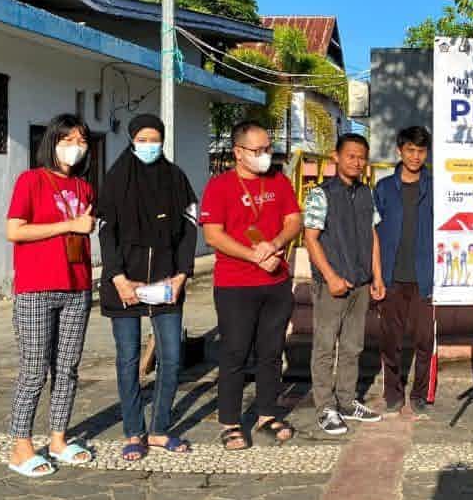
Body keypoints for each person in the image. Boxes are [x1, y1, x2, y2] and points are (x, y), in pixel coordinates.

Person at [97, 114, 197, 462]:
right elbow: (106, 231)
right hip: (124, 283)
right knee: (128, 359)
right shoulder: (116, 178)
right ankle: (133, 431)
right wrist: (118, 278)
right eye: (142, 140)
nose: (149, 146)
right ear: (131, 140)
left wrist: (182, 275)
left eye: (155, 140)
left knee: (171, 357)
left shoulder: (176, 178)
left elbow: (189, 229)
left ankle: (159, 429)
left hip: (167, 283)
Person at [200, 121, 302, 450]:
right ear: (238, 152)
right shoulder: (220, 186)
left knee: (271, 351)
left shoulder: (278, 181)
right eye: (257, 150)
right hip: (236, 283)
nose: (264, 155)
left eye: (267, 148)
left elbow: (294, 220)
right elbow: (213, 234)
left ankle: (267, 414)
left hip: (276, 280)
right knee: (235, 352)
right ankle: (230, 421)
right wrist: (253, 256)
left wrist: (275, 244)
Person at [5, 113, 96, 476]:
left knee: (67, 369)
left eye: (82, 141)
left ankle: (58, 439)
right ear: (52, 142)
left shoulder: (84, 187)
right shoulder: (31, 180)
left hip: (76, 286)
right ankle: (21, 447)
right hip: (37, 288)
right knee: (34, 370)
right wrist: (70, 225)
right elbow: (15, 230)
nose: (76, 147)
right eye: (68, 140)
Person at [304, 133, 386, 435]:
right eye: (351, 155)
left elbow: (372, 236)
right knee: (325, 347)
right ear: (336, 157)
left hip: (361, 283)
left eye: (362, 157)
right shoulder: (320, 194)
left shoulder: (366, 193)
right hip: (332, 285)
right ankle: (325, 407)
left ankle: (348, 401)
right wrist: (330, 277)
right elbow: (311, 239)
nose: (357, 162)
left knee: (353, 346)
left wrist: (377, 276)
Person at [374, 125, 435, 416]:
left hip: (425, 277)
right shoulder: (384, 188)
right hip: (392, 277)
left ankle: (419, 394)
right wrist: (376, 275)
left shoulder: (436, 188)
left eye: (421, 151)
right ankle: (393, 392)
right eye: (410, 150)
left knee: (424, 341)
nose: (415, 156)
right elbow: (373, 233)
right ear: (400, 151)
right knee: (391, 341)